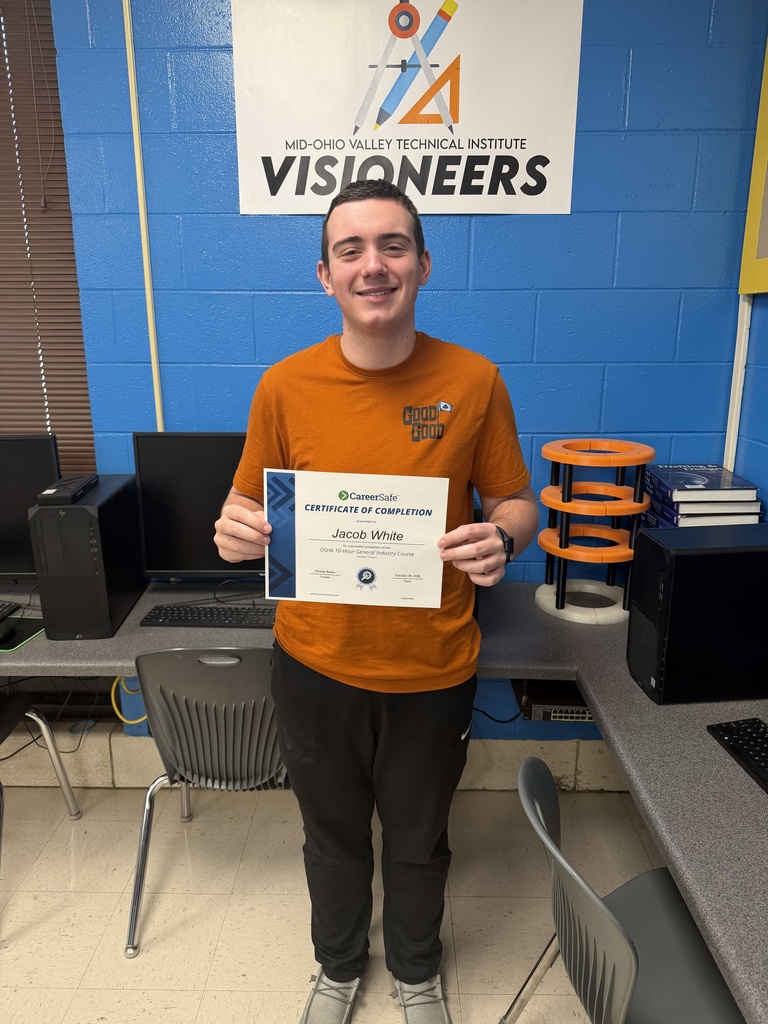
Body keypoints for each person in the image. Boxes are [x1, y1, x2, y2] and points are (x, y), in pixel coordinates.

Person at [214, 179, 539, 1024]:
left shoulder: (474, 381)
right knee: (332, 840)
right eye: (350, 250)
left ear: (423, 264)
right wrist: (235, 533)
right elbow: (246, 504)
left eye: (392, 245)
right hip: (315, 664)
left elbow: (517, 502)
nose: (373, 265)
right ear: (325, 275)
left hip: (432, 671)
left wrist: (501, 538)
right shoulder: (284, 387)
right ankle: (337, 967)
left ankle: (420, 974)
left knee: (420, 843)